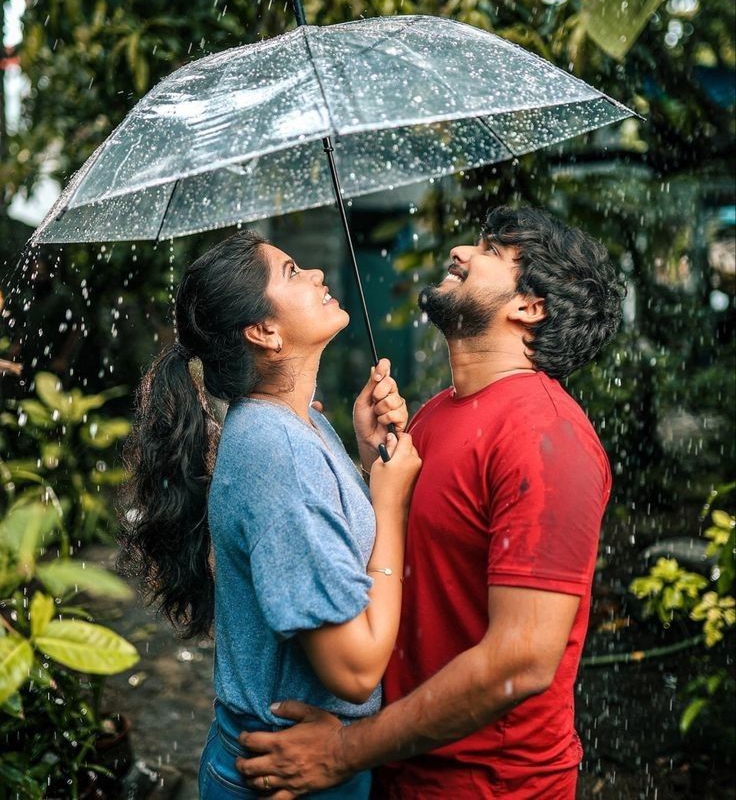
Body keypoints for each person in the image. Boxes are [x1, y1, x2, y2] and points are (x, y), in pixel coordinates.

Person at [234, 205, 625, 799]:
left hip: (489, 786)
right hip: (399, 766)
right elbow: (410, 564)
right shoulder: (439, 411)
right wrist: (373, 465)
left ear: (530, 306)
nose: (461, 253)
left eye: (490, 251)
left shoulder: (548, 440)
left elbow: (522, 660)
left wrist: (343, 750)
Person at [120, 229, 421, 799]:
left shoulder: (296, 422)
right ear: (264, 332)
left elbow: (326, 544)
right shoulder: (278, 452)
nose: (316, 276)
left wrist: (363, 456)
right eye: (291, 272)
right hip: (285, 774)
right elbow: (353, 672)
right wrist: (390, 502)